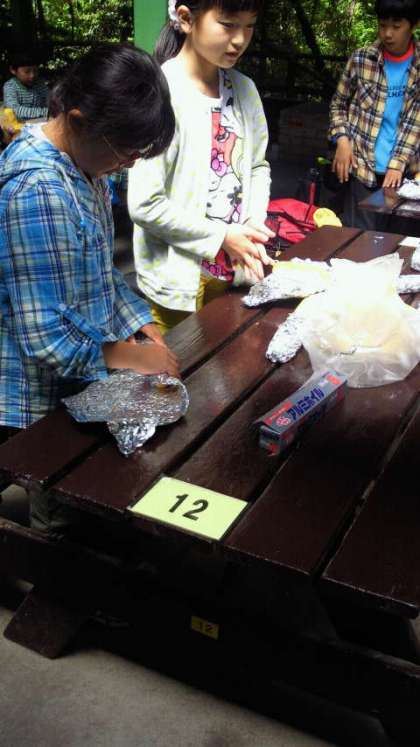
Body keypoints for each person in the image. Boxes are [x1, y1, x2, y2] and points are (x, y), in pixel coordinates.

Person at [0, 43, 178, 532]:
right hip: (39, 398)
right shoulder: (39, 191)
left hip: (79, 380)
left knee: (90, 498)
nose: (131, 164)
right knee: (60, 509)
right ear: (78, 119)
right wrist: (130, 356)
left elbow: (101, 273)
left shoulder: (86, 167)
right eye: (127, 151)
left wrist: (140, 323)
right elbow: (46, 336)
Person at [128, 0, 274, 335]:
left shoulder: (245, 90)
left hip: (234, 269)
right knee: (180, 364)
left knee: (229, 359)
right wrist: (222, 236)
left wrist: (253, 223)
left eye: (249, 25)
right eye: (228, 24)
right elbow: (144, 203)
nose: (240, 39)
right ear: (185, 18)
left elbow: (257, 166)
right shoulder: (161, 93)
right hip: (176, 280)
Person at [329, 0, 420, 231]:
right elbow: (338, 104)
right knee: (358, 239)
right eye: (382, 25)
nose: (387, 33)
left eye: (396, 26)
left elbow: (416, 122)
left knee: (399, 243)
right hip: (362, 169)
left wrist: (397, 164)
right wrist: (342, 140)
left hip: (407, 175)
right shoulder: (361, 60)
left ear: (414, 25)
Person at [3, 50, 49, 121]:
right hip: (17, 125)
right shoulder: (10, 86)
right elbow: (14, 110)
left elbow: (50, 101)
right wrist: (46, 112)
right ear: (13, 70)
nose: (32, 75)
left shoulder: (40, 84)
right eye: (27, 72)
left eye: (35, 71)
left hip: (39, 123)